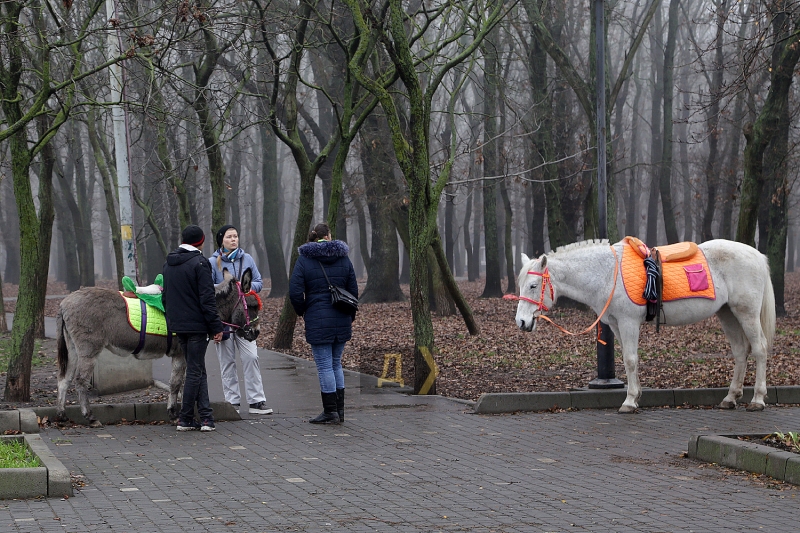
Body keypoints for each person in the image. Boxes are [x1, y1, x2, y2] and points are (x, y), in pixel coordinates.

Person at [289, 223, 358, 424]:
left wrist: (303, 310)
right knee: (336, 363)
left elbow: (295, 292)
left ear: (313, 237)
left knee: (325, 366)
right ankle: (340, 411)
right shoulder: (344, 259)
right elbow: (353, 290)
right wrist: (350, 314)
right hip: (342, 317)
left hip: (317, 318)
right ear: (328, 236)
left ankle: (330, 412)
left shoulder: (304, 260)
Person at [162, 225, 224, 432]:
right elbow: (207, 299)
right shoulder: (200, 263)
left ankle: (206, 417)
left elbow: (165, 296)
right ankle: (186, 417)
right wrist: (216, 326)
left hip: (179, 325)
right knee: (195, 371)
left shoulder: (169, 263)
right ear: (201, 241)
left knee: (198, 368)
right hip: (197, 326)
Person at [209, 224, 272, 415]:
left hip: (245, 317)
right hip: (224, 319)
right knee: (227, 361)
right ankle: (232, 403)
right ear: (221, 240)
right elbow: (207, 288)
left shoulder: (247, 258)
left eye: (235, 236)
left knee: (251, 356)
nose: (234, 239)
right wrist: (227, 287)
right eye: (229, 237)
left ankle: (256, 401)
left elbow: (259, 282)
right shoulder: (213, 262)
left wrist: (244, 287)